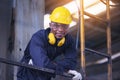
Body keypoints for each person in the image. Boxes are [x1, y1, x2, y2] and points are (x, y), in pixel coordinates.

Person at [17, 6, 82, 80]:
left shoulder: (69, 40)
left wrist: (55, 65)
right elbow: (41, 63)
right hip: (27, 73)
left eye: (65, 26)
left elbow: (71, 62)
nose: (60, 30)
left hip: (47, 74)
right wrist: (65, 69)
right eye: (56, 25)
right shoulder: (38, 37)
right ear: (50, 25)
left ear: (68, 27)